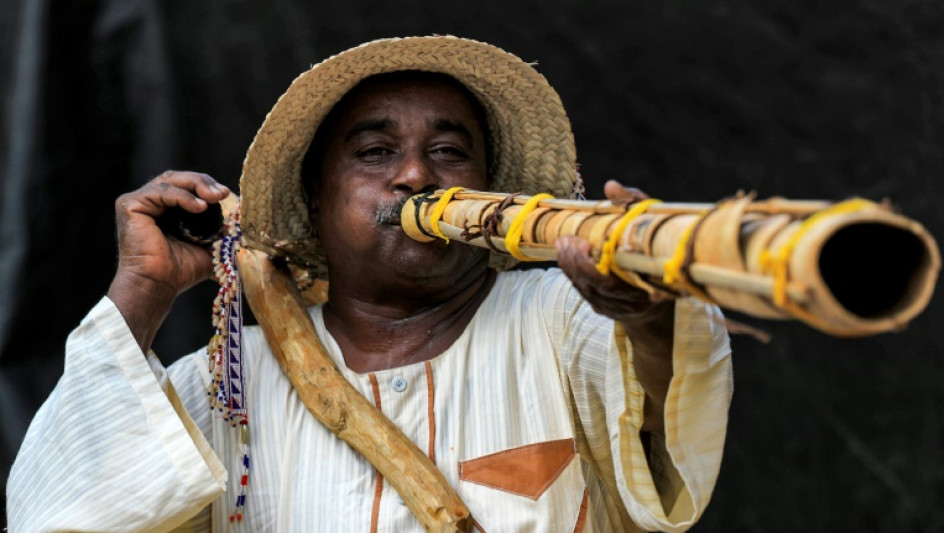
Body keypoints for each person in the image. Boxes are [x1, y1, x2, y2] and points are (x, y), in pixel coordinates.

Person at [7, 36, 732, 532]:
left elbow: (667, 408)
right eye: (376, 152)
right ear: (315, 200)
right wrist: (141, 291)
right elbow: (62, 515)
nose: (416, 175)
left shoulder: (561, 318)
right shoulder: (224, 386)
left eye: (449, 151)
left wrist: (649, 314)